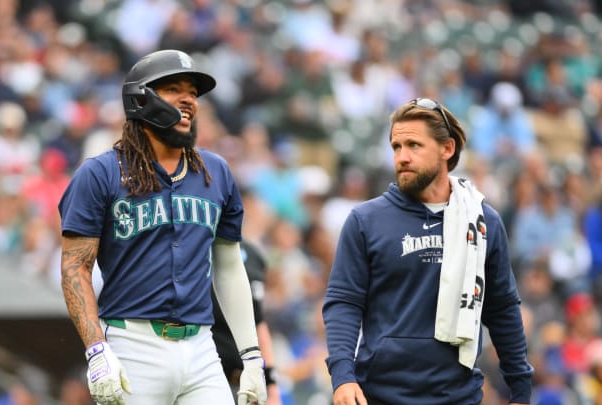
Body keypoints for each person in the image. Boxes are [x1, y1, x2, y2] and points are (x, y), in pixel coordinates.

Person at [58, 49, 266, 405]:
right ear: (141, 98)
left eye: (193, 92)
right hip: (133, 344)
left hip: (202, 348)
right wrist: (96, 349)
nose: (189, 100)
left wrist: (251, 356)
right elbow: (75, 266)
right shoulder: (100, 173)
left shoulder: (217, 173)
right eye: (173, 89)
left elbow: (229, 267)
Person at [322, 97, 534, 405]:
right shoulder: (365, 221)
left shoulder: (483, 221)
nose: (402, 157)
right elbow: (343, 303)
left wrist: (521, 389)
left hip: (458, 396)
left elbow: (502, 309)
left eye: (413, 145)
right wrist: (343, 376)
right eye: (396, 147)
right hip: (379, 394)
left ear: (447, 149)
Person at [211, 239, 281, 405]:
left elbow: (259, 323)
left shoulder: (254, 256)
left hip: (246, 382)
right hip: (209, 379)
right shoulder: (196, 250)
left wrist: (271, 386)